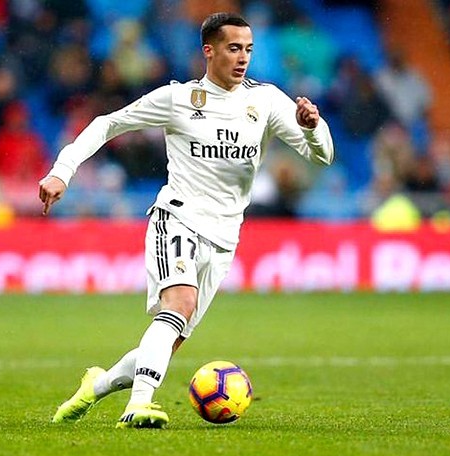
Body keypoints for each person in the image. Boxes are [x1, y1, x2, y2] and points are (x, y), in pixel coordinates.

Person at [39, 12, 334, 429]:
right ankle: (138, 405)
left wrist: (312, 128)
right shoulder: (179, 99)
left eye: (248, 50)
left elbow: (323, 155)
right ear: (209, 51)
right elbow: (108, 124)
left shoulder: (266, 101)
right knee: (178, 304)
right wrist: (62, 171)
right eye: (234, 48)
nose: (243, 58)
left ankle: (97, 385)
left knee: (169, 339)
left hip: (225, 236)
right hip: (178, 218)